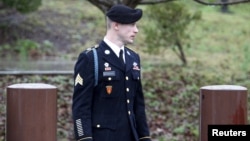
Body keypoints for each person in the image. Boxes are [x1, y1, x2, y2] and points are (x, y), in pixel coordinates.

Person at [72, 4, 151, 141]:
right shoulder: (91, 58)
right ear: (116, 26)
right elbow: (80, 108)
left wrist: (144, 137)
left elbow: (138, 105)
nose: (136, 30)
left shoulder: (133, 58)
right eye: (131, 25)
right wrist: (84, 138)